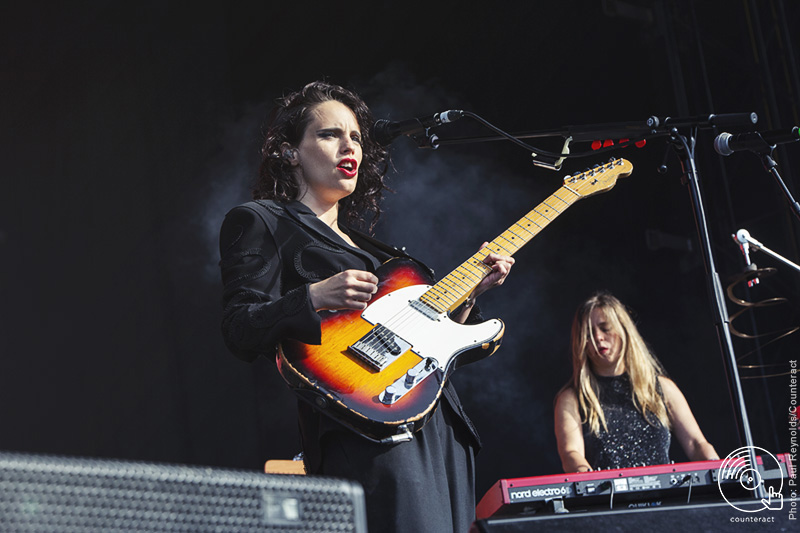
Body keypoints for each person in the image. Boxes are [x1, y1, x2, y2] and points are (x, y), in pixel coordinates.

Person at [218, 81, 514, 532]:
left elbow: (430, 337)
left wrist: (471, 294)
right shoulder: (261, 220)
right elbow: (239, 327)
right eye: (329, 134)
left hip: (439, 423)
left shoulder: (377, 251)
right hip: (365, 426)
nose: (349, 145)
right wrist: (314, 296)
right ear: (289, 152)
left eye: (355, 136)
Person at [554, 292, 719, 473]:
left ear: (624, 329)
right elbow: (571, 452)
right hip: (609, 499)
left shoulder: (662, 387)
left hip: (667, 499)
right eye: (588, 333)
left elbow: (696, 444)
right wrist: (588, 480)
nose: (598, 337)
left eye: (605, 328)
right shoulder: (572, 398)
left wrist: (719, 472)